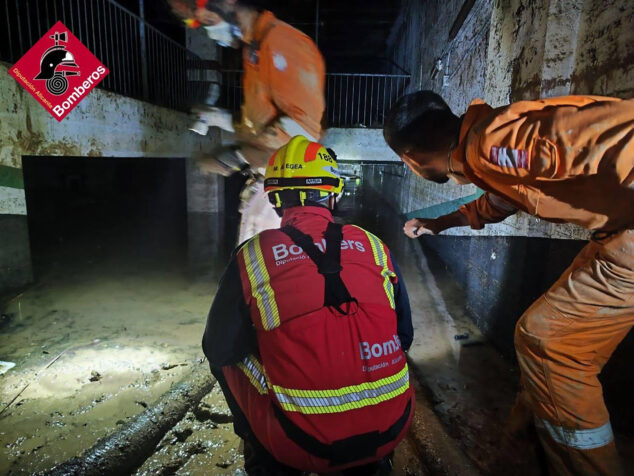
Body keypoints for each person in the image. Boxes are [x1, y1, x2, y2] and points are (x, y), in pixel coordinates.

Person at [383, 90, 634, 475]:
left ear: (411, 160)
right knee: (544, 345)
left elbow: (608, 136)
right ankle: (525, 452)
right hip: (615, 237)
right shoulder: (488, 150)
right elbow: (502, 200)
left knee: (547, 343)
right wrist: (439, 223)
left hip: (626, 237)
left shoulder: (492, 142)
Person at [202, 136, 414, 475]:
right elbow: (404, 336)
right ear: (334, 194)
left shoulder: (255, 254)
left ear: (274, 199)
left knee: (226, 359)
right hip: (392, 426)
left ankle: (261, 453)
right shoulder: (375, 246)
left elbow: (218, 347)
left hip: (298, 444)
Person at [168, 0, 326, 242]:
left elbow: (304, 132)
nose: (210, 33)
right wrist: (220, 119)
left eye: (209, 21)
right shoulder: (255, 48)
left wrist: (237, 156)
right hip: (268, 189)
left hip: (286, 192)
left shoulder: (283, 43)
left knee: (265, 273)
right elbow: (260, 125)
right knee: (251, 270)